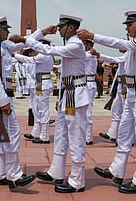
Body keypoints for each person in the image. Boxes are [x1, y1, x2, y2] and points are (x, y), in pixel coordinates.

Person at [78, 11, 136, 194]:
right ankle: (117, 170)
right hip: (132, 93)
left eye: (130, 24)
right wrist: (100, 55)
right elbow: (120, 59)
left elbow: (119, 44)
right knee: (124, 133)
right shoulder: (134, 47)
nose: (126, 27)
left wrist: (93, 36)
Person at [10, 14, 89, 193]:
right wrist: (60, 98)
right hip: (67, 94)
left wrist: (25, 39)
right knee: (61, 136)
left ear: (70, 27)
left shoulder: (75, 44)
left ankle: (78, 180)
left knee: (76, 139)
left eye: (61, 26)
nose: (59, 29)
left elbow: (49, 51)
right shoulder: (70, 44)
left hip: (76, 96)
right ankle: (56, 171)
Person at [0, 16, 35, 190]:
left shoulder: (2, 46)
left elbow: (20, 45)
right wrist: (3, 101)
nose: (9, 32)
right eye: (5, 29)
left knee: (2, 137)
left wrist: (41, 33)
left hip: (2, 95)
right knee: (12, 134)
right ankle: (14, 175)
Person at [15, 39, 54, 144]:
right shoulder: (43, 55)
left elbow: (31, 60)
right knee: (36, 108)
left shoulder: (45, 55)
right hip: (39, 83)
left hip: (43, 83)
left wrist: (14, 55)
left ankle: (45, 136)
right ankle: (36, 132)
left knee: (43, 109)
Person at [95, 51, 128, 144]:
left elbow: (114, 60)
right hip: (120, 86)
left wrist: (99, 55)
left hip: (126, 86)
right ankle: (112, 134)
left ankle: (126, 137)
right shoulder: (124, 56)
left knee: (126, 113)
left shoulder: (129, 55)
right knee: (115, 110)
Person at [82, 39, 98, 145]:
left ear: (88, 45)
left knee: (87, 111)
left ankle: (88, 137)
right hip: (86, 83)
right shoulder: (88, 55)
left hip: (89, 83)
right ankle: (86, 135)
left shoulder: (89, 55)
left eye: (83, 44)